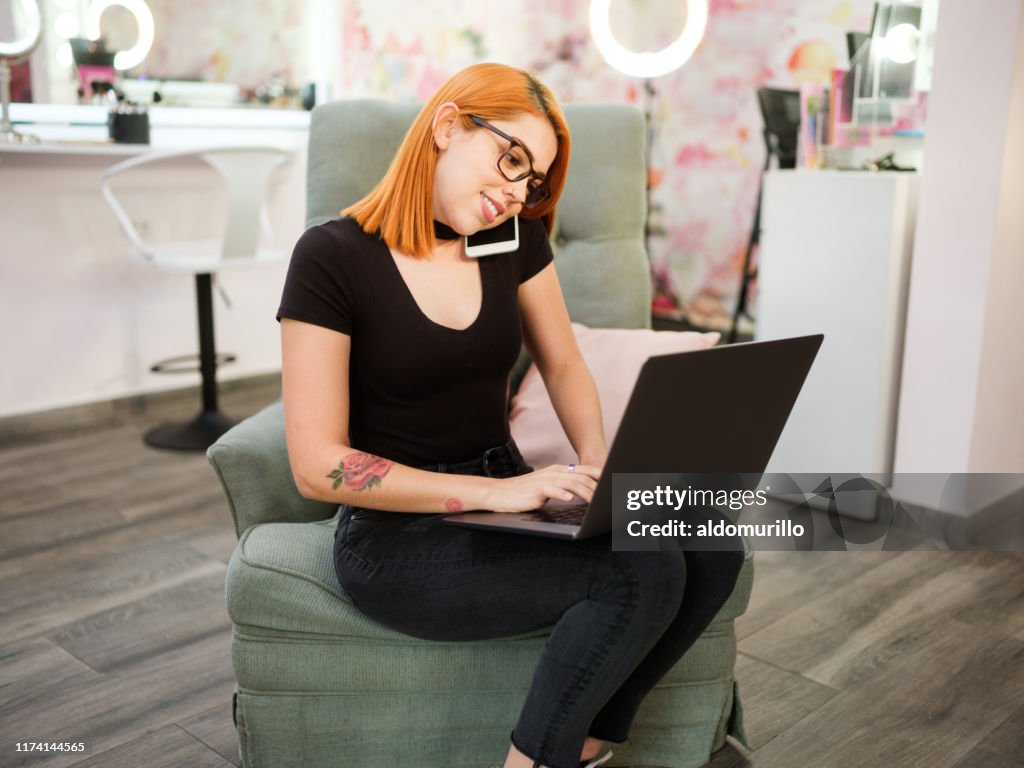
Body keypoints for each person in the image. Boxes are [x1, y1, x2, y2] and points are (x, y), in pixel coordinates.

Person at [276, 62, 744, 768]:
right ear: (448, 125)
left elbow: (562, 363)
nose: (515, 192)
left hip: (506, 501)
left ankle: (583, 744)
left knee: (711, 545)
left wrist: (594, 466)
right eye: (512, 158)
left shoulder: (512, 240)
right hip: (398, 536)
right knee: (637, 574)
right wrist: (500, 492)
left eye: (531, 181)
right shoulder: (331, 258)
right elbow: (318, 467)